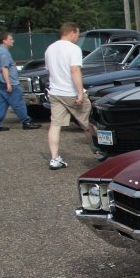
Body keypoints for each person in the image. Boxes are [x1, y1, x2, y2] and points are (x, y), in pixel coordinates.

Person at [43, 22, 95, 170]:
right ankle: (99, 150)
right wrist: (80, 92)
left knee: (55, 125)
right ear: (72, 32)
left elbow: (48, 72)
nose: (78, 37)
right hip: (71, 93)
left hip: (55, 92)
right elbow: (75, 70)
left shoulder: (50, 49)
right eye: (77, 34)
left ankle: (54, 158)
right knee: (89, 122)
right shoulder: (74, 49)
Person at [0, 31, 40, 131]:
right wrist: (9, 84)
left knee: (1, 103)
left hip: (0, 83)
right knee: (18, 103)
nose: (13, 41)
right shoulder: (4, 52)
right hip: (10, 83)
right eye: (10, 39)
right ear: (4, 40)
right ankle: (26, 122)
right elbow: (4, 68)